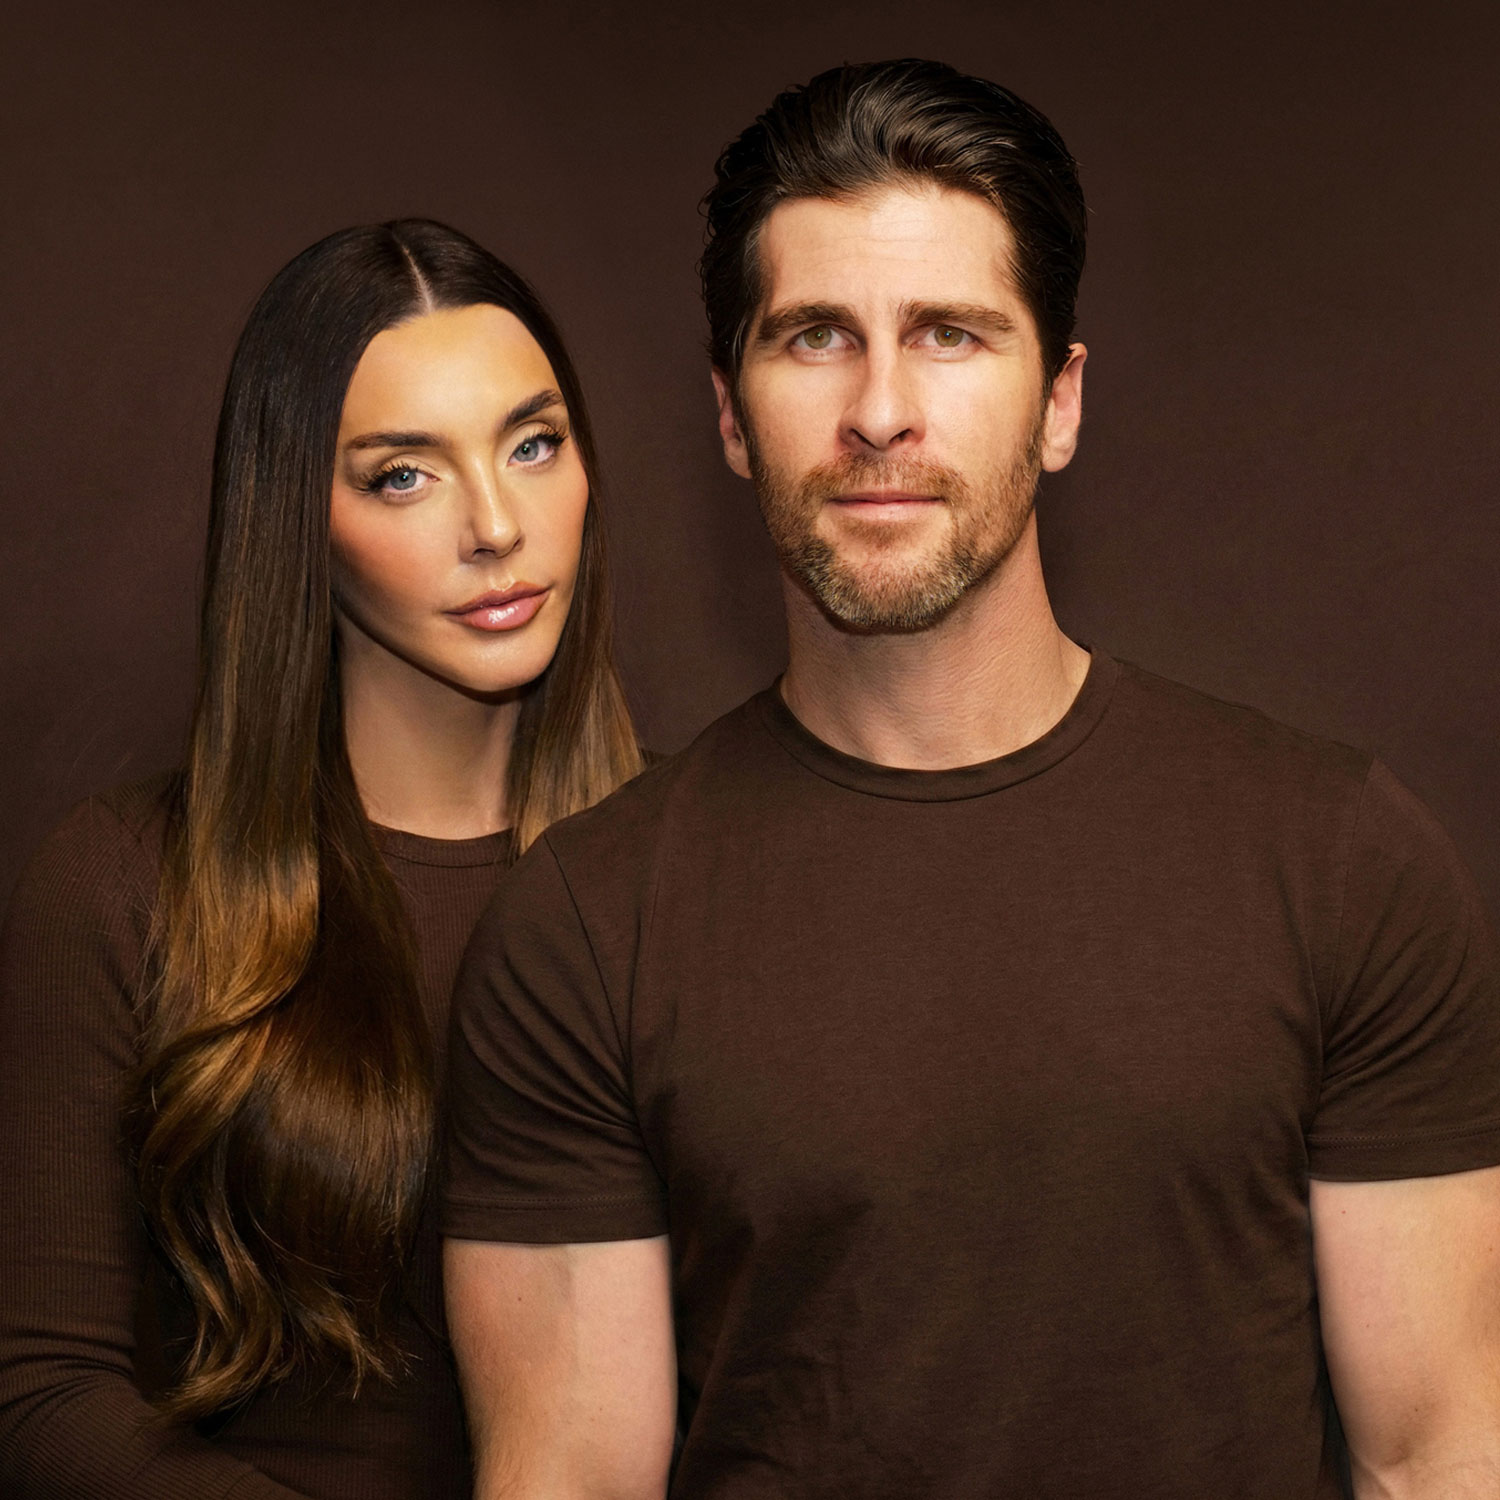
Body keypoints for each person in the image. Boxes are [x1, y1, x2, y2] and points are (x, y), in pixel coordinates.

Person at [441, 60, 1500, 1500]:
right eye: (815, 336)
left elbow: (1437, 1458)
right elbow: (569, 1480)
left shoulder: (1341, 860)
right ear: (732, 414)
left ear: (1060, 403)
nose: (881, 410)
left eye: (950, 334)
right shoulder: (583, 926)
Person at [0, 219, 641, 1500]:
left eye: (533, 444)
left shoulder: (688, 874)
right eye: (404, 475)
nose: (499, 525)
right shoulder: (124, 886)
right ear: (299, 514)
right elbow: (43, 1397)